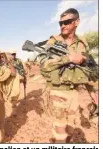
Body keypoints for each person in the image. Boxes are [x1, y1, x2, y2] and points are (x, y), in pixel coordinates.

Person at [40, 8, 98, 143]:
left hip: (74, 92)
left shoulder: (82, 44)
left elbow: (87, 70)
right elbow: (44, 65)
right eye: (60, 23)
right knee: (60, 132)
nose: (63, 26)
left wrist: (93, 95)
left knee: (71, 129)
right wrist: (68, 59)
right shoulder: (53, 41)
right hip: (57, 91)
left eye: (67, 22)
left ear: (77, 22)